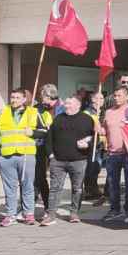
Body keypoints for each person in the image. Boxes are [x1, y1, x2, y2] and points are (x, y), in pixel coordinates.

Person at [0, 89, 46, 227]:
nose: (14, 100)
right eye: (12, 97)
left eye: (17, 97)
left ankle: (29, 214)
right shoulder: (1, 113)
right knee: (9, 188)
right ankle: (10, 215)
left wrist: (33, 132)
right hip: (6, 156)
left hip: (26, 154)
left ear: (24, 99)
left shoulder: (33, 113)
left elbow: (45, 131)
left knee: (28, 186)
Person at [40, 96, 95, 226]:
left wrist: (88, 144)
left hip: (78, 160)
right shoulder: (58, 119)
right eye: (66, 103)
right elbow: (49, 139)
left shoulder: (87, 119)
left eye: (69, 104)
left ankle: (74, 212)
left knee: (77, 189)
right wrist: (51, 155)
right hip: (58, 161)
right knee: (55, 188)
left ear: (78, 105)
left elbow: (93, 137)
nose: (66, 106)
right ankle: (51, 214)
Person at [101, 87, 128, 222]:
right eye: (115, 95)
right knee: (112, 183)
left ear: (127, 97)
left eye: (119, 95)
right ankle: (114, 209)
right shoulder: (108, 112)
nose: (116, 98)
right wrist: (99, 129)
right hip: (112, 153)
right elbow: (104, 130)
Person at [34, 84, 61, 213]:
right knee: (39, 177)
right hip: (41, 147)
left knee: (56, 180)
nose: (42, 99)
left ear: (50, 96)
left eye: (44, 97)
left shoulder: (61, 109)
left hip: (58, 148)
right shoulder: (37, 109)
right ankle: (45, 205)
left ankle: (52, 207)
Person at [83, 91, 105, 202]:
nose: (100, 101)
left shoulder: (103, 112)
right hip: (92, 144)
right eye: (97, 98)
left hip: (100, 145)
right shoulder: (88, 112)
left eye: (102, 98)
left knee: (97, 168)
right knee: (90, 168)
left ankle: (94, 188)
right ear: (92, 99)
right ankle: (89, 190)